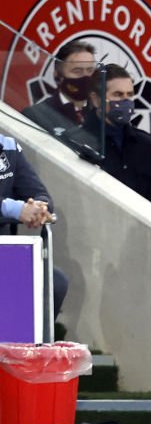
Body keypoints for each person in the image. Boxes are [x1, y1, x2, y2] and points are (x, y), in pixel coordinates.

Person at [0, 133, 68, 319]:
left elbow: (38, 192)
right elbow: (15, 209)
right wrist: (14, 209)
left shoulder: (8, 146)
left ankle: (34, 347)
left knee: (55, 282)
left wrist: (39, 208)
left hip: (4, 252)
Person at [85, 64, 151, 209]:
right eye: (118, 94)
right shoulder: (79, 142)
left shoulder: (144, 144)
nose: (126, 101)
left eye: (129, 94)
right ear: (96, 100)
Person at [23, 41, 97, 134]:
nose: (86, 77)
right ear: (58, 76)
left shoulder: (100, 111)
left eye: (90, 71)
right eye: (77, 71)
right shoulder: (36, 115)